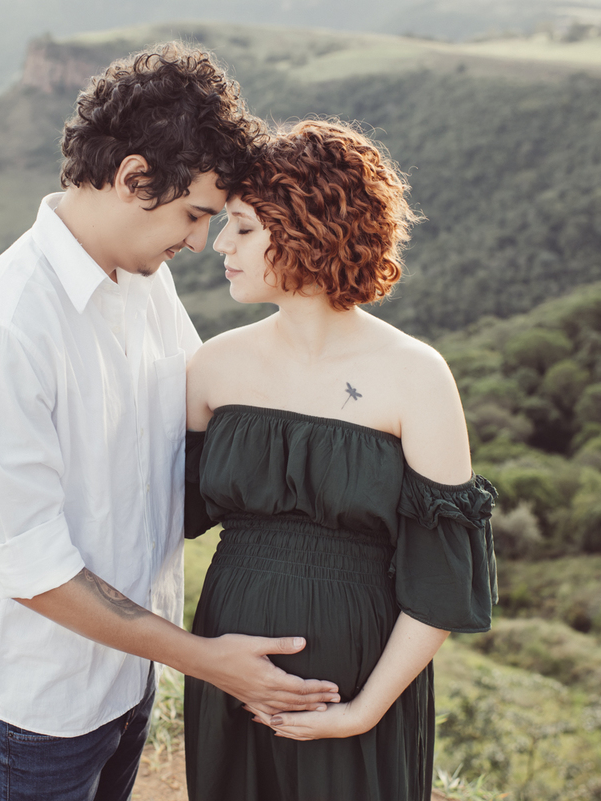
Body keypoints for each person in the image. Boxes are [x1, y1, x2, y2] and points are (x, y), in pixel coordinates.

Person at [0, 44, 340, 801]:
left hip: (130, 680)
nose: (198, 241)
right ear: (132, 177)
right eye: (193, 214)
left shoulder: (141, 281)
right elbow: (30, 567)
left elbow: (201, 417)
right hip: (41, 710)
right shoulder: (4, 326)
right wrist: (206, 658)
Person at [184, 119, 499, 801]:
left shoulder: (416, 375)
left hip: (361, 681)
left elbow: (440, 581)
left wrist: (363, 710)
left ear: (301, 227)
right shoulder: (211, 367)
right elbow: (157, 512)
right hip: (228, 665)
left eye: (241, 227)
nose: (219, 244)